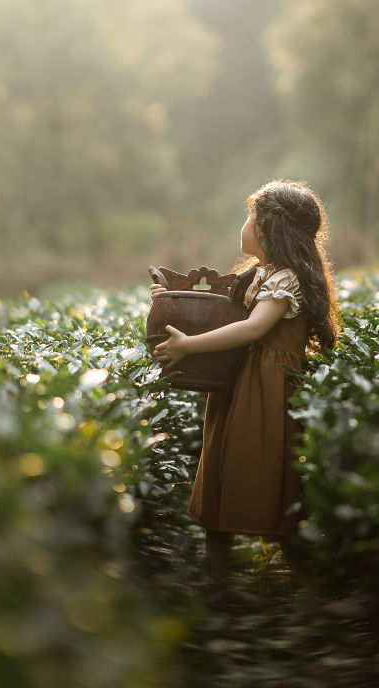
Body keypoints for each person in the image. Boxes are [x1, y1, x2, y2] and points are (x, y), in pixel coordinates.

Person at [151, 179, 339, 582]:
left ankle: (308, 583)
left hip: (268, 385)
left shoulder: (286, 279)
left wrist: (190, 346)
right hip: (242, 380)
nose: (245, 224)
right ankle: (217, 580)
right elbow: (219, 315)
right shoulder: (263, 274)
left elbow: (254, 329)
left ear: (270, 227)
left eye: (250, 217)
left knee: (268, 472)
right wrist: (169, 299)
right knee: (221, 463)